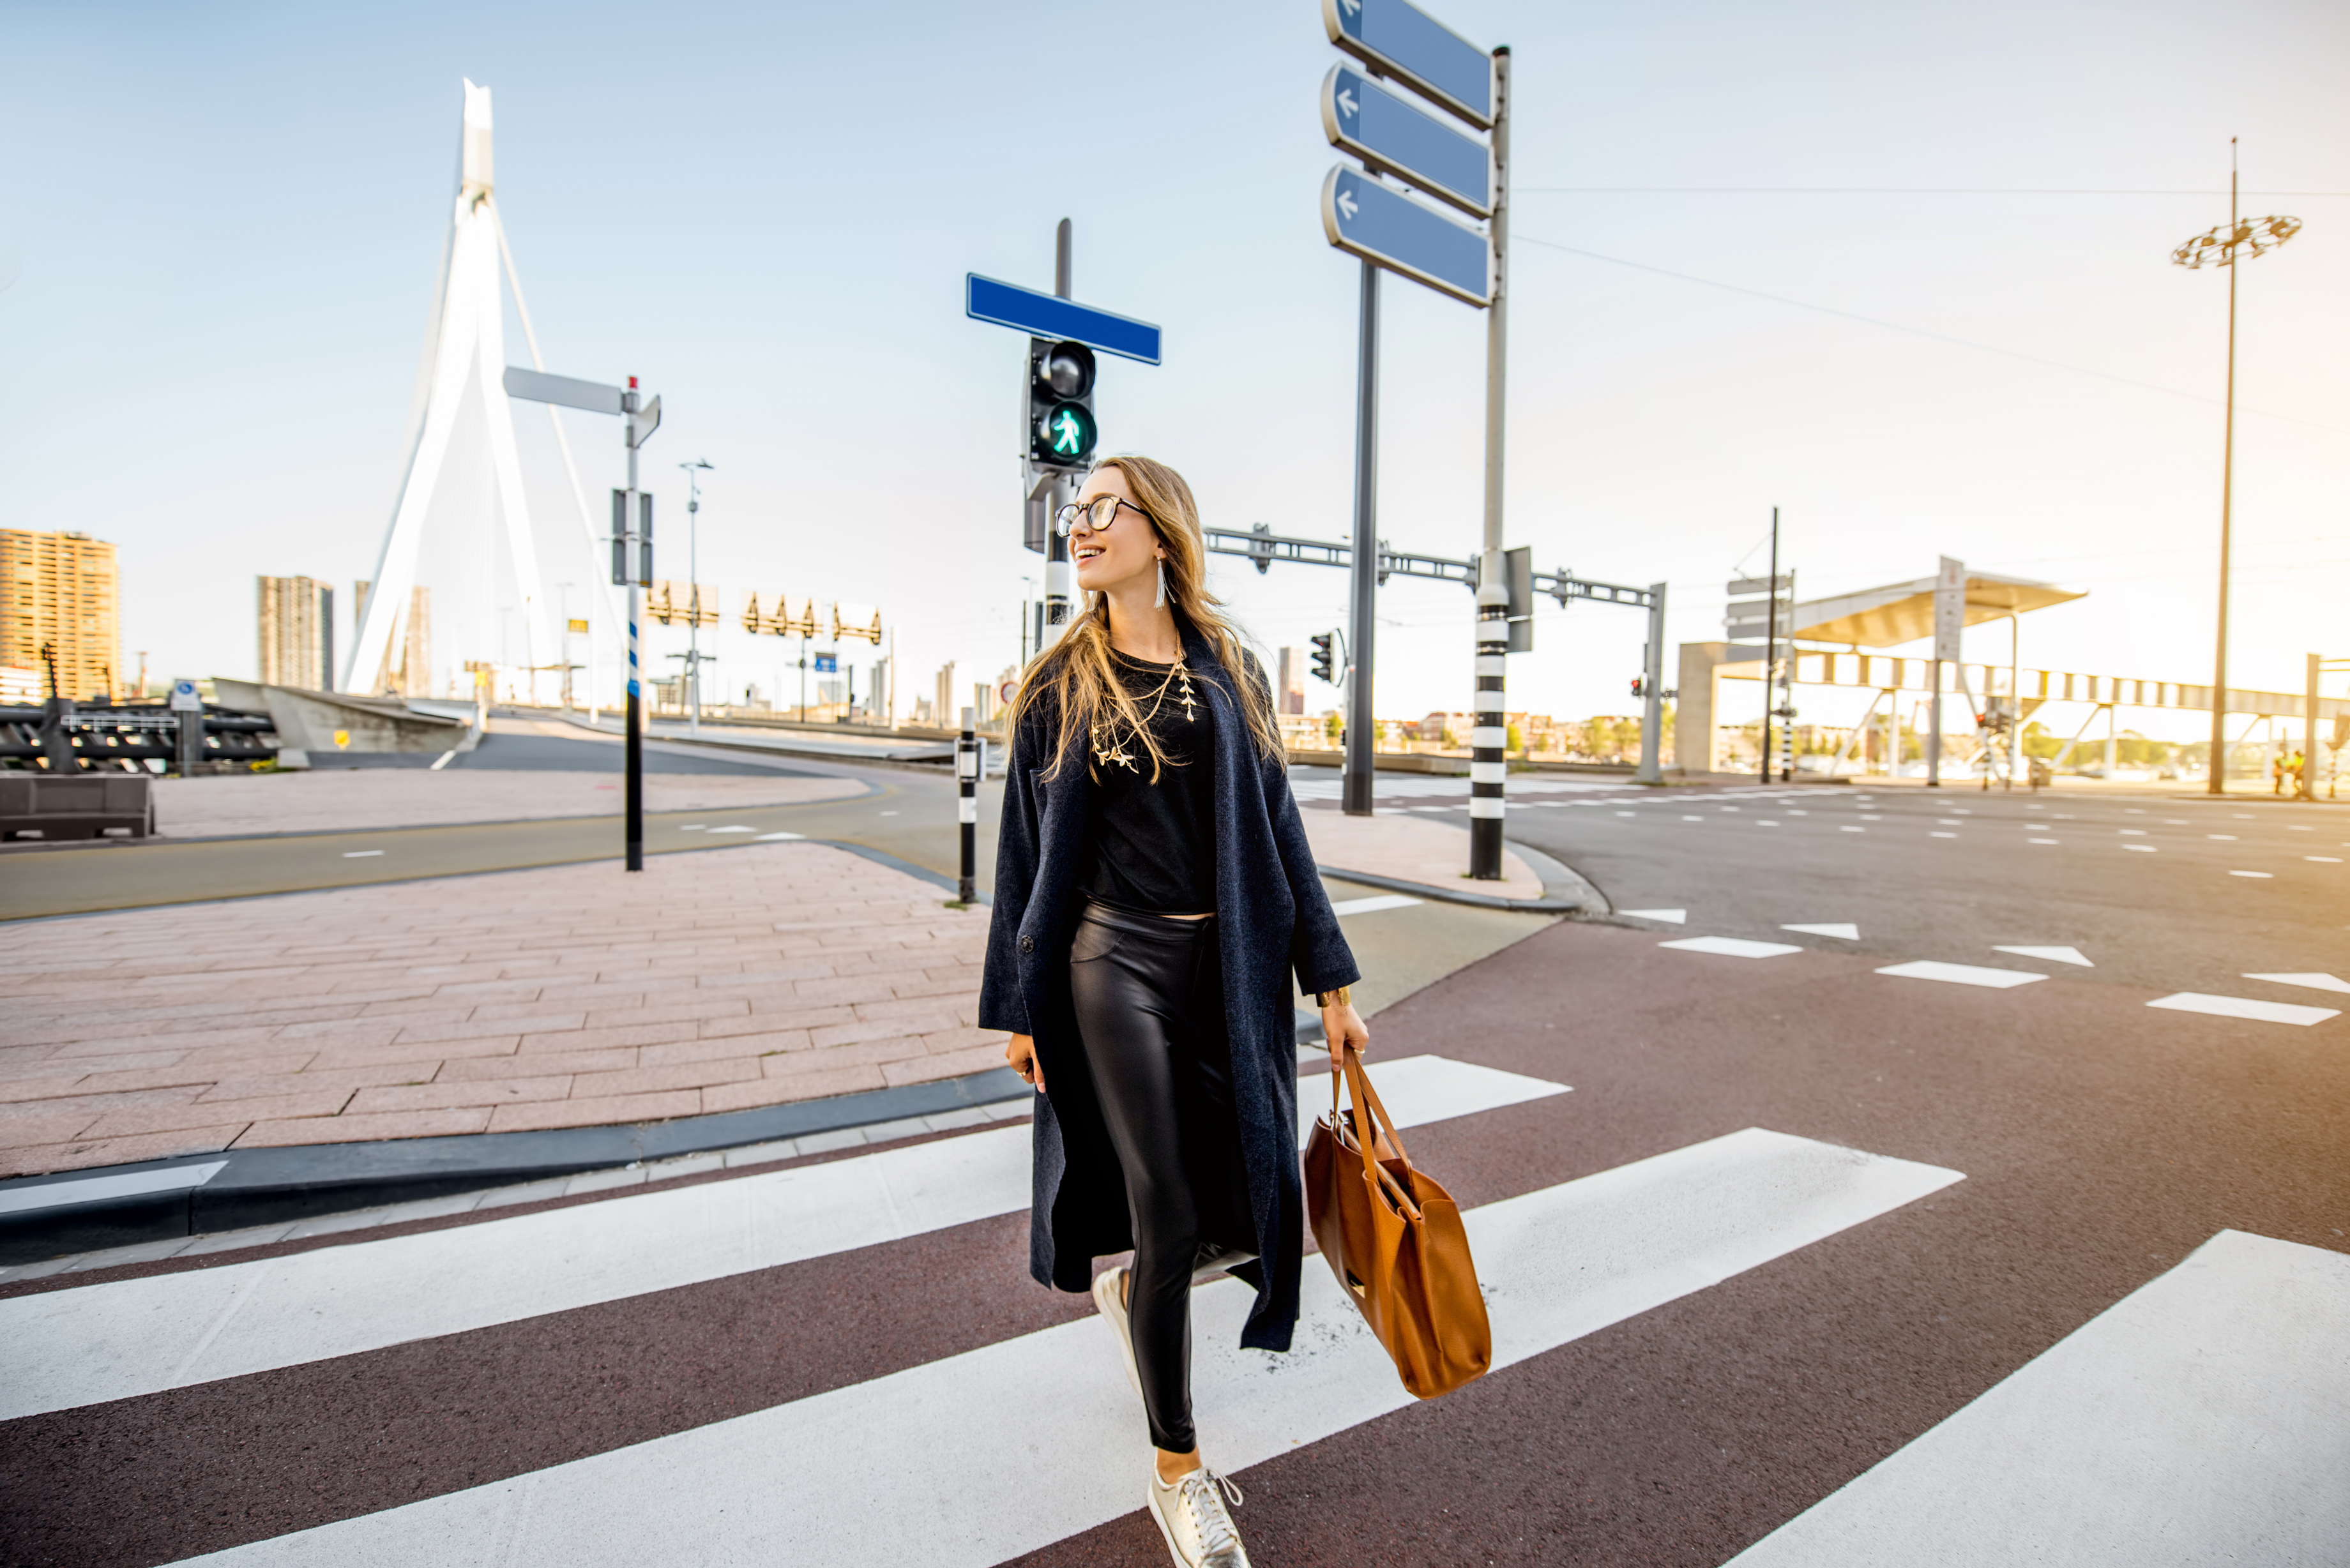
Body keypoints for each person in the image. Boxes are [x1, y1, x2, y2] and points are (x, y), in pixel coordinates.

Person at [980, 455, 1368, 1568]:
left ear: (1161, 532)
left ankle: (1137, 1294)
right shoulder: (1062, 682)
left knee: (1211, 1208)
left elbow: (1282, 833)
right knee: (1161, 1206)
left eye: (1103, 509)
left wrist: (1330, 985)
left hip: (1224, 964)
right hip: (1114, 959)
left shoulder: (1226, 670)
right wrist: (1021, 1008)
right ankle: (1179, 1471)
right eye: (1076, 511)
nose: (1080, 524)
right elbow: (1022, 855)